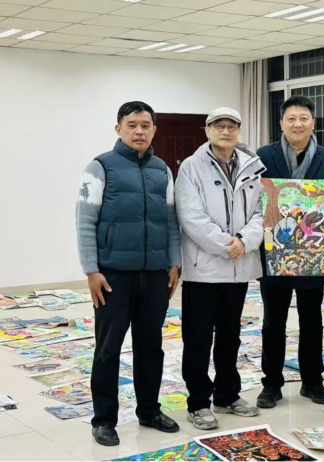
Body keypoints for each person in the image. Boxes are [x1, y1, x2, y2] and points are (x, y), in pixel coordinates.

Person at [76, 101, 181, 447]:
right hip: (113, 276)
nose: (139, 131)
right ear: (118, 128)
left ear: (154, 130)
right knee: (108, 349)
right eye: (132, 125)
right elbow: (85, 222)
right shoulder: (100, 167)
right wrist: (91, 270)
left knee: (151, 347)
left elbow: (170, 221)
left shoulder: (162, 170)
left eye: (145, 125)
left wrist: (174, 262)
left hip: (154, 274)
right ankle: (104, 419)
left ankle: (149, 410)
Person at [175, 107, 265, 430]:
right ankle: (198, 402)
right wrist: (228, 245)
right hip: (204, 270)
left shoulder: (252, 166)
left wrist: (245, 240)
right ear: (207, 130)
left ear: (239, 131)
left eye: (232, 126)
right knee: (198, 339)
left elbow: (262, 213)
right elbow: (191, 217)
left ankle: (227, 395)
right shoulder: (191, 167)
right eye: (219, 126)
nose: (226, 131)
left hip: (238, 269)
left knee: (231, 337)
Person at [256, 95, 324, 409]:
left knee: (312, 321)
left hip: (313, 251)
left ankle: (313, 381)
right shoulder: (264, 155)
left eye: (304, 118)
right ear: (281, 123)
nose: (297, 124)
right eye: (291, 118)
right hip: (275, 251)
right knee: (273, 321)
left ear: (313, 123)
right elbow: (255, 199)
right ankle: (271, 384)